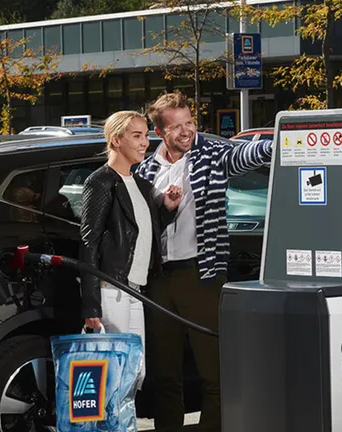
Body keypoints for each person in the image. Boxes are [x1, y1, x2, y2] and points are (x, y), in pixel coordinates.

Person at [135, 92, 273, 432]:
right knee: (165, 374)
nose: (186, 131)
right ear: (159, 131)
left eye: (190, 122)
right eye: (176, 126)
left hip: (202, 274)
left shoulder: (211, 155)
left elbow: (245, 154)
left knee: (214, 370)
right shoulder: (146, 169)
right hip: (158, 280)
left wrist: (278, 143)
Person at [79, 110, 183, 388]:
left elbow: (140, 233)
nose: (144, 142)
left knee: (135, 374)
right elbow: (89, 242)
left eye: (145, 135)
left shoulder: (141, 185)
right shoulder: (101, 182)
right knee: (114, 373)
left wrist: (167, 210)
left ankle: (125, 414)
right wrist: (91, 304)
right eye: (136, 136)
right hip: (111, 289)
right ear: (116, 140)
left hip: (136, 290)